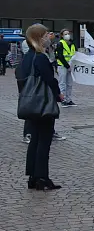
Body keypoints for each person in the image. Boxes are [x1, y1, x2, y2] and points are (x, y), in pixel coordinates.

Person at [18, 24, 64, 191]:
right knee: (44, 141)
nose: (48, 38)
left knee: (35, 140)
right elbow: (49, 79)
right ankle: (42, 177)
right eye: (45, 35)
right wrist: (58, 94)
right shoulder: (40, 57)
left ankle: (33, 176)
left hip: (30, 104)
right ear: (39, 38)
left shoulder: (27, 57)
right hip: (43, 104)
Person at [54, 29, 77, 107]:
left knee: (69, 84)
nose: (67, 35)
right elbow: (60, 56)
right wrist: (67, 66)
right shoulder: (60, 44)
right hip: (62, 66)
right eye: (65, 34)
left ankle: (68, 100)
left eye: (68, 33)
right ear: (62, 35)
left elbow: (75, 54)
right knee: (62, 84)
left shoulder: (72, 44)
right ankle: (63, 100)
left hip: (70, 66)